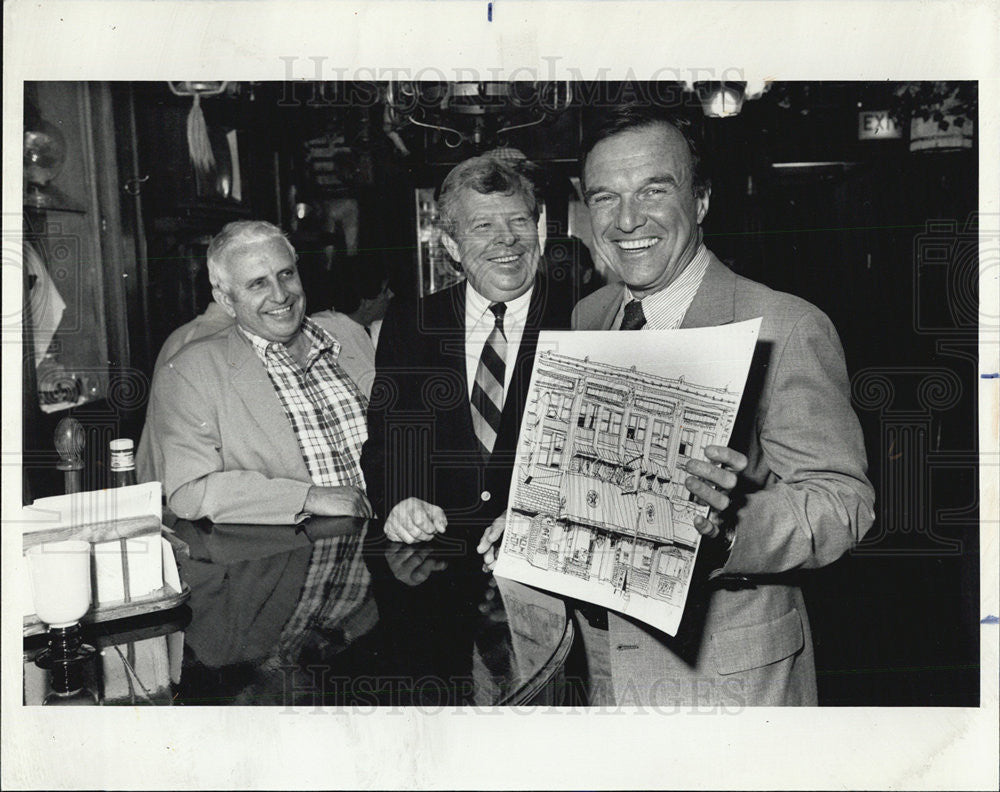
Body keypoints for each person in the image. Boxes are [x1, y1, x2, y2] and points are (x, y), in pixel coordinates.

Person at [506, 105, 874, 707]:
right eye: (605, 197)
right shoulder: (590, 315)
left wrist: (728, 532)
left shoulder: (787, 324)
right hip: (600, 667)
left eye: (654, 190)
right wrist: (536, 515)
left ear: (700, 201)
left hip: (726, 678)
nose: (627, 220)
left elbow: (843, 505)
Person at [361, 154, 577, 545]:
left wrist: (539, 516)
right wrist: (400, 500)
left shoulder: (583, 317)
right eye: (483, 226)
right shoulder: (410, 324)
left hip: (547, 554)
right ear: (452, 246)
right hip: (437, 561)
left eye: (519, 221)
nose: (507, 238)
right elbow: (387, 443)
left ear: (539, 231)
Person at [137, 220, 372, 524]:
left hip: (397, 545)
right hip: (303, 559)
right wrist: (307, 497)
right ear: (226, 300)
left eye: (286, 274)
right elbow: (190, 490)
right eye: (257, 283)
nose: (280, 295)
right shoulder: (191, 370)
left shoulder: (348, 334)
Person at [311, 261, 393, 398]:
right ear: (366, 303)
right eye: (385, 291)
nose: (391, 295)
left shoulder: (366, 326)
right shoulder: (327, 330)